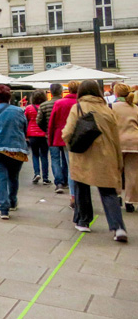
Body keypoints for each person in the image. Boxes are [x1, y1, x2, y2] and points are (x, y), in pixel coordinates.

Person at [62, 79, 127, 242]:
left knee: (81, 187)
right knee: (108, 191)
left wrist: (70, 144)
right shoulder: (107, 109)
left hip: (83, 154)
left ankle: (83, 221)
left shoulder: (77, 107)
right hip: (107, 155)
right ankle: (118, 227)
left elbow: (67, 133)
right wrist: (118, 159)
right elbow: (116, 137)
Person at [0, 85, 29, 220]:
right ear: (10, 97)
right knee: (13, 176)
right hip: (16, 148)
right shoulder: (19, 111)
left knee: (0, 177)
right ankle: (12, 201)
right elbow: (24, 127)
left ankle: (4, 209)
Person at [49, 81, 79, 203]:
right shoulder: (82, 103)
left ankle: (72, 195)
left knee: (68, 164)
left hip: (64, 137)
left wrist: (51, 139)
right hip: (84, 138)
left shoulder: (60, 103)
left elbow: (52, 123)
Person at [113, 83, 138, 213]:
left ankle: (117, 196)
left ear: (116, 93)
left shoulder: (111, 107)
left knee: (116, 171)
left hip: (117, 143)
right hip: (135, 143)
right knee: (132, 173)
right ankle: (130, 201)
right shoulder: (135, 108)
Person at [25, 90, 51, 185]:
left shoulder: (29, 108)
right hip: (44, 134)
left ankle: (36, 173)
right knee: (44, 155)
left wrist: (25, 134)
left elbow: (25, 120)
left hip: (32, 135)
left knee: (35, 154)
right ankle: (45, 178)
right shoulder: (45, 107)